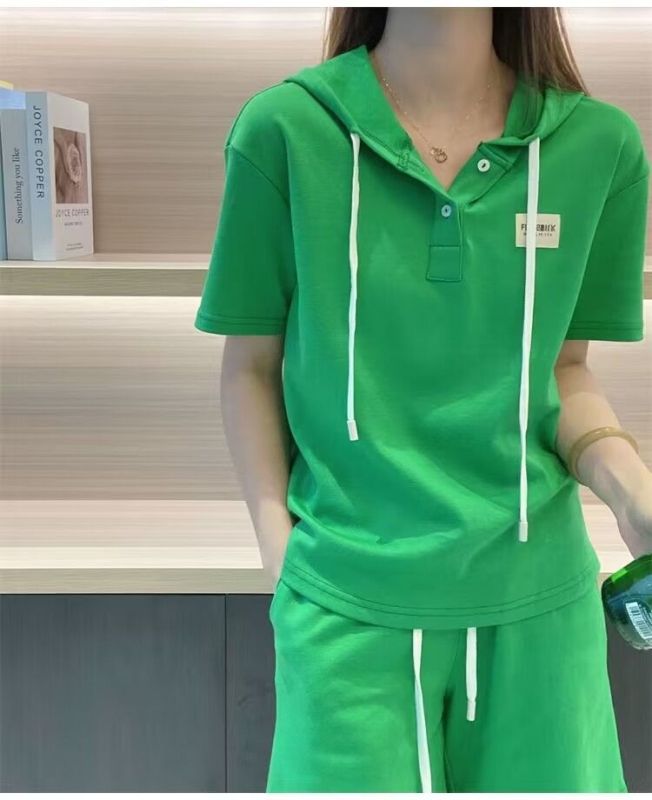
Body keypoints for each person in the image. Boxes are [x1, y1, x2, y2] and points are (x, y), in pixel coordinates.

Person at [194, 7, 652, 793]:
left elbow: (563, 371)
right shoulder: (284, 131)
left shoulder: (600, 147)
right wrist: (280, 556)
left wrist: (631, 491)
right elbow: (250, 369)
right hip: (347, 609)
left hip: (540, 609)